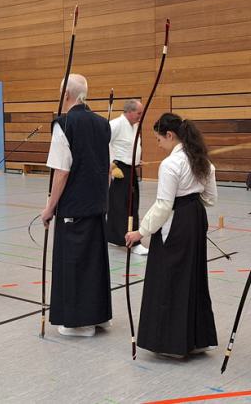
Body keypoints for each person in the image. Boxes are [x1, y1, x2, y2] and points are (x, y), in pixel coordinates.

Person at [125, 113, 218, 358]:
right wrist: (191, 200)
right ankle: (197, 339)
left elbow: (164, 205)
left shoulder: (171, 164)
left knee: (169, 277)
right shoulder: (202, 160)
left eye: (158, 139)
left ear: (170, 135)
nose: (158, 145)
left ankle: (172, 343)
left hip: (176, 222)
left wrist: (140, 232)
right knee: (193, 276)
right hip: (195, 218)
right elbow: (210, 198)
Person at [41, 74, 112, 337]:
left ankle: (81, 323)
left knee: (76, 263)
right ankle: (99, 316)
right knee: (94, 263)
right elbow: (107, 168)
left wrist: (49, 208)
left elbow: (62, 172)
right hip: (96, 206)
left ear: (67, 95)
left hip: (74, 207)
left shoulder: (64, 124)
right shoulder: (102, 124)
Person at [106, 99, 149, 255]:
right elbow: (103, 143)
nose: (140, 116)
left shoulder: (135, 125)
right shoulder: (115, 124)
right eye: (139, 113)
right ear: (129, 112)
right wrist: (110, 164)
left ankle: (115, 237)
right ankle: (133, 242)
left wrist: (136, 161)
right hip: (119, 170)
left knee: (126, 204)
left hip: (130, 169)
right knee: (125, 205)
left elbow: (130, 147)